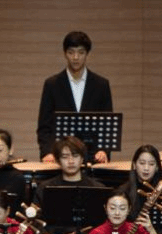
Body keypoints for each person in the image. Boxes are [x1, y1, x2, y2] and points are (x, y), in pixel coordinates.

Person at [36, 31, 113, 163]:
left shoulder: (101, 84)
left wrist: (104, 150)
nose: (76, 57)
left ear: (87, 54)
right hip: (60, 156)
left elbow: (108, 125)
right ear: (65, 53)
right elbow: (44, 125)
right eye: (71, 52)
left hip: (92, 156)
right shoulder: (52, 84)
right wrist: (47, 152)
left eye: (81, 52)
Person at [31, 136, 106, 234]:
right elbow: (35, 217)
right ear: (58, 160)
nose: (71, 161)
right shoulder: (45, 188)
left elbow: (99, 225)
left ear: (82, 158)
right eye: (65, 157)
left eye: (75, 156)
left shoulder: (98, 188)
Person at [117, 144, 162, 218]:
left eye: (151, 164)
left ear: (157, 167)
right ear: (134, 165)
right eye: (142, 163)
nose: (146, 168)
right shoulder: (124, 191)